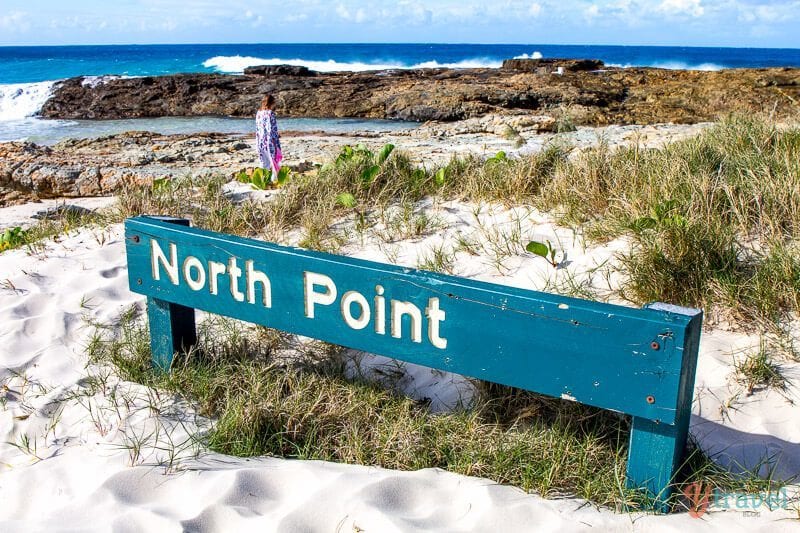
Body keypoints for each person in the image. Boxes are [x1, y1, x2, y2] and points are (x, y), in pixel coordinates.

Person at [255, 94, 282, 183]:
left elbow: (258, 128)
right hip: (270, 141)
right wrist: (276, 138)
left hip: (260, 141)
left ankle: (263, 181)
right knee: (276, 161)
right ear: (271, 103)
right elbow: (271, 128)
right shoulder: (270, 113)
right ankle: (274, 181)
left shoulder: (258, 113)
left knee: (264, 162)